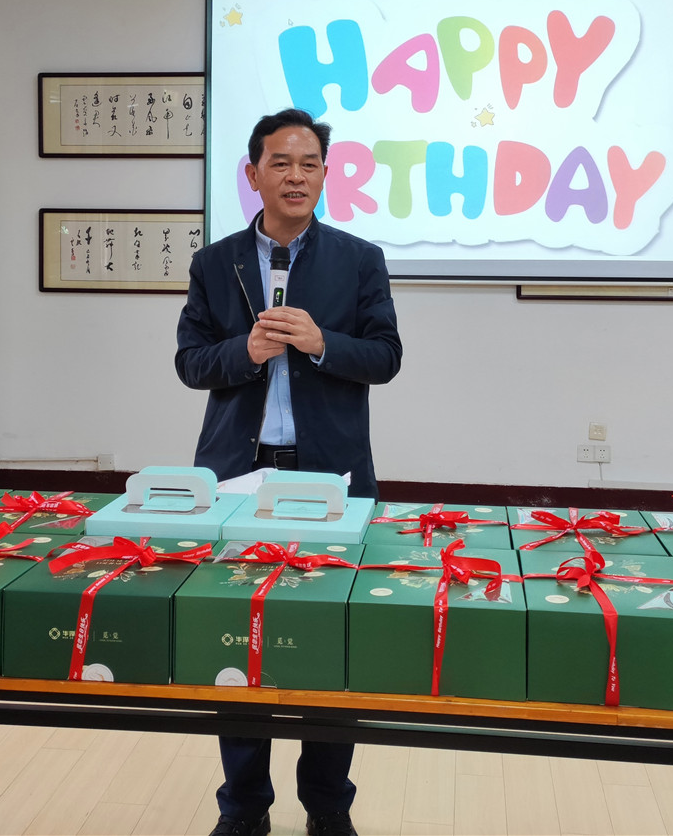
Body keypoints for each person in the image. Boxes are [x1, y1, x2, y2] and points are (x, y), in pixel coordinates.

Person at [175, 107, 403, 836]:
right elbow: (190, 364)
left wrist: (319, 341)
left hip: (330, 479)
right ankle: (244, 809)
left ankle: (328, 809)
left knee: (331, 643)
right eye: (280, 162)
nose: (295, 176)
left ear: (326, 175)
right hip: (238, 478)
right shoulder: (215, 263)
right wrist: (244, 352)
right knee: (236, 643)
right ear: (253, 174)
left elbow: (386, 357)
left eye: (309, 164)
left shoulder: (359, 259)